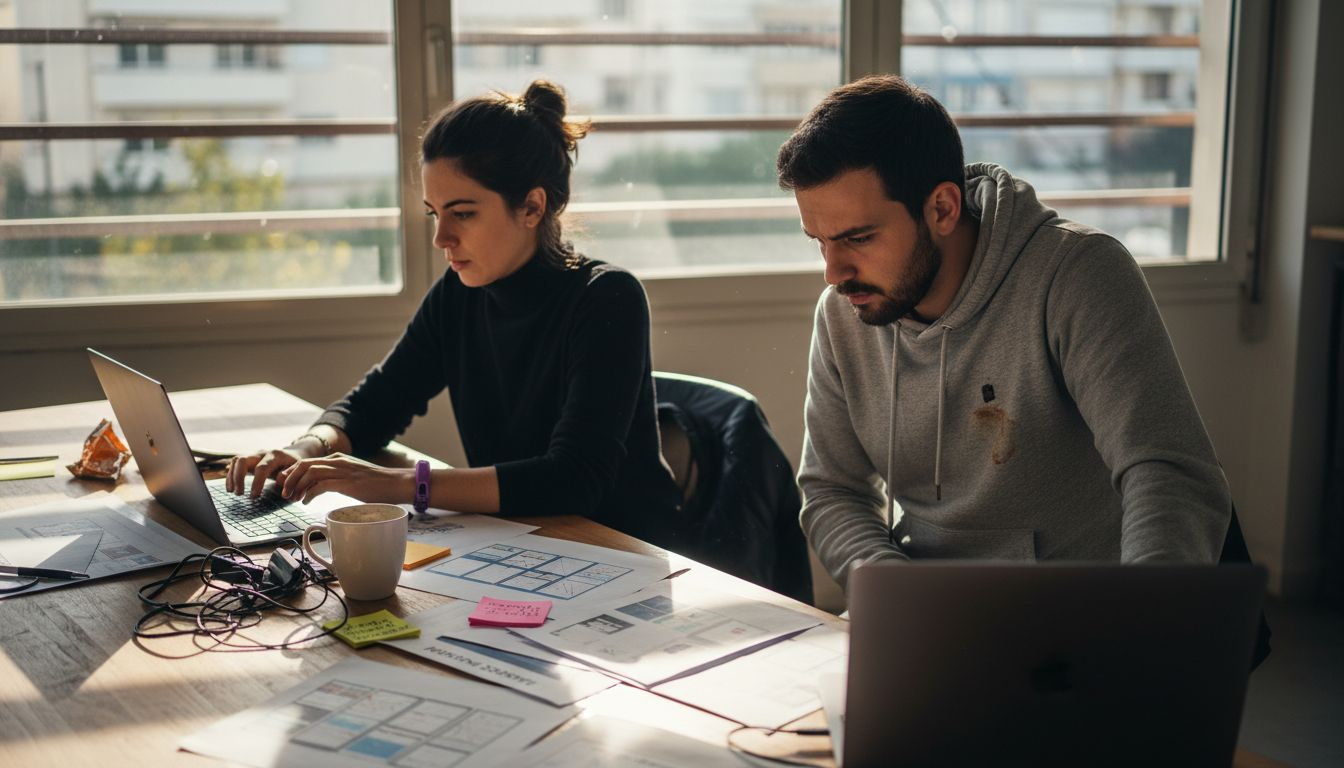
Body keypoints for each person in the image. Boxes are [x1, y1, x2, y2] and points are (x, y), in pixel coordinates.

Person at [777, 75, 1231, 590]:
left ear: (942, 209)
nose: (833, 273)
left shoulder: (1077, 274)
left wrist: (1135, 618)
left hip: (1076, 612)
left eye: (857, 238)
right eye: (819, 241)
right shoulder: (845, 312)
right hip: (926, 614)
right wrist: (896, 591)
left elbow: (1167, 471)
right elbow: (832, 492)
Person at [226, 80, 680, 540]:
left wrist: (395, 484)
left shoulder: (608, 298)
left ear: (531, 207)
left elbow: (573, 480)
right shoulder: (460, 292)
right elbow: (375, 404)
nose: (441, 238)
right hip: (527, 539)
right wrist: (305, 449)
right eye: (433, 213)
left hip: (625, 549)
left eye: (462, 213)